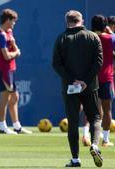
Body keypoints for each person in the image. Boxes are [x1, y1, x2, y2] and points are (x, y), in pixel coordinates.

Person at [53, 10, 103, 167]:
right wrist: (85, 81)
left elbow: (56, 64)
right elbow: (98, 63)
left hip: (70, 87)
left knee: (73, 122)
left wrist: (72, 80)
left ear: (67, 21)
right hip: (90, 86)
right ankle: (94, 145)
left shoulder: (61, 38)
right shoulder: (93, 37)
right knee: (95, 117)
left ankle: (75, 159)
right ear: (81, 21)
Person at [0, 9, 32, 135]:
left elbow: (15, 47)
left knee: (15, 97)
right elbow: (6, 55)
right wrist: (16, 52)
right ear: (7, 20)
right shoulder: (0, 35)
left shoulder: (9, 32)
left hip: (11, 69)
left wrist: (15, 49)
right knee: (5, 97)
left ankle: (17, 126)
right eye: (13, 21)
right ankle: (2, 127)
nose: (14, 24)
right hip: (3, 70)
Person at [92, 15, 115, 147]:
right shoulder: (110, 38)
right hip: (106, 79)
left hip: (91, 79)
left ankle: (88, 135)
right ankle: (105, 140)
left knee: (92, 109)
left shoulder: (89, 38)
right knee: (107, 110)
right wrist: (110, 31)